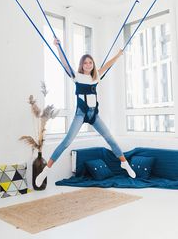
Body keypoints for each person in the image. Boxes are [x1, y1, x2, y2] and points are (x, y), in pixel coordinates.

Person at [35, 38, 136, 187]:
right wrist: (58, 47)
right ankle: (46, 170)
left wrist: (118, 55)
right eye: (85, 63)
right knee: (66, 142)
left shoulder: (96, 77)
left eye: (90, 62)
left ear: (93, 64)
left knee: (110, 139)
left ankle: (124, 163)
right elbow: (64, 63)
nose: (88, 65)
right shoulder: (77, 76)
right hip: (81, 114)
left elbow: (108, 65)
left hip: (94, 115)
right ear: (82, 65)